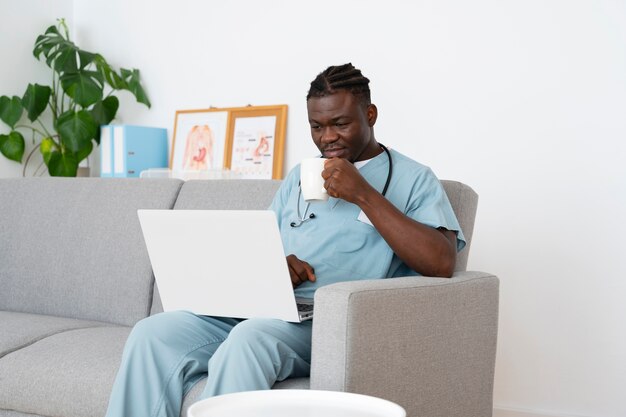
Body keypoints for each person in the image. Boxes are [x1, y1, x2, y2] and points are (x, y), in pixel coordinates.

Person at [105, 63, 465, 417]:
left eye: (340, 124)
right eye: (316, 126)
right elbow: (262, 245)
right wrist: (276, 268)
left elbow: (442, 262)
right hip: (265, 306)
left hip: (328, 321)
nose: (327, 138)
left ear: (369, 115)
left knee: (251, 339)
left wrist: (363, 194)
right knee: (152, 334)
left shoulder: (414, 178)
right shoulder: (299, 177)